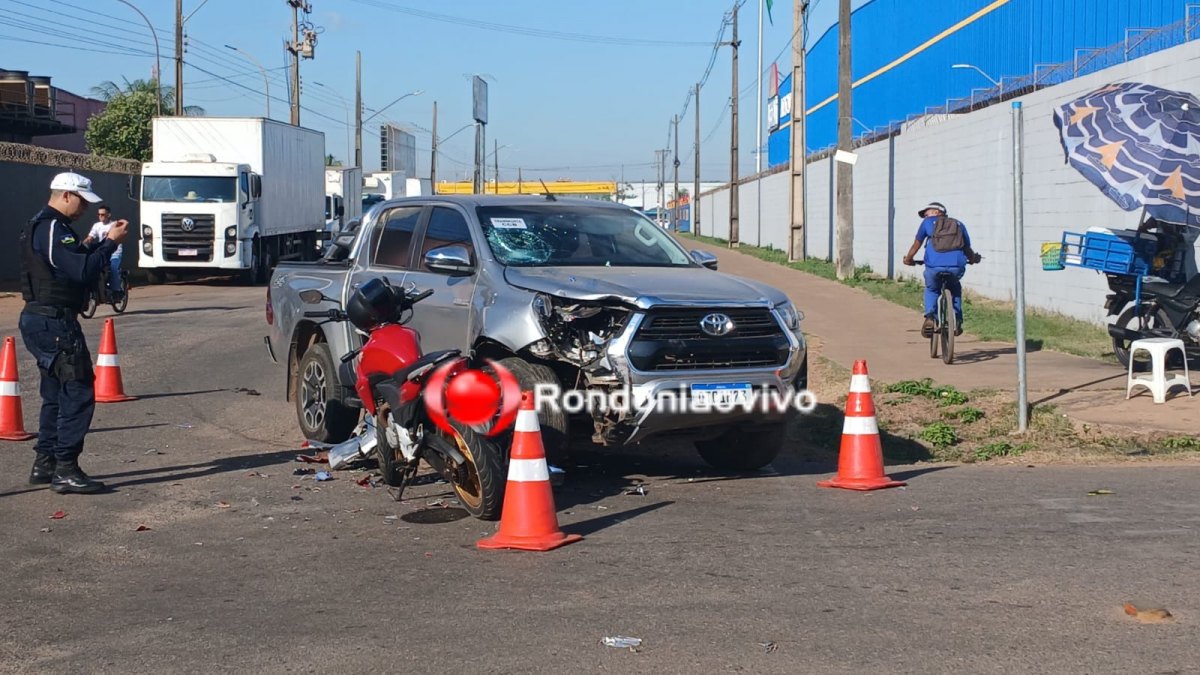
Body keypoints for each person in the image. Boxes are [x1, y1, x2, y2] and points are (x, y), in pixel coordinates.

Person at [18, 172, 128, 494]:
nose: (84, 209)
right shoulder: (53, 227)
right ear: (66, 195)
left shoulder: (42, 226)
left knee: (55, 393)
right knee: (78, 392)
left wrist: (97, 244)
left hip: (42, 319)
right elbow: (81, 270)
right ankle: (65, 468)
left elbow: (71, 262)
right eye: (81, 201)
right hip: (54, 322)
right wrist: (111, 243)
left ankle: (46, 463)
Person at [902, 202, 981, 338]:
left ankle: (930, 317)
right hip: (956, 267)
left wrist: (908, 259)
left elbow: (917, 244)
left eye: (927, 212)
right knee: (955, 288)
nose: (925, 216)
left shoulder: (927, 223)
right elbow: (967, 248)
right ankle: (956, 319)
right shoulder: (958, 224)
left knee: (932, 289)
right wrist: (973, 259)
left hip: (934, 267)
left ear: (937, 212)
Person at [83, 204, 124, 298]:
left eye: (102, 214)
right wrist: (83, 244)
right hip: (103, 252)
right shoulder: (96, 225)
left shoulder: (114, 225)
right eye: (99, 214)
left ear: (108, 215)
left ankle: (117, 291)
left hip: (115, 253)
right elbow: (90, 238)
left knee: (113, 269)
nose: (100, 216)